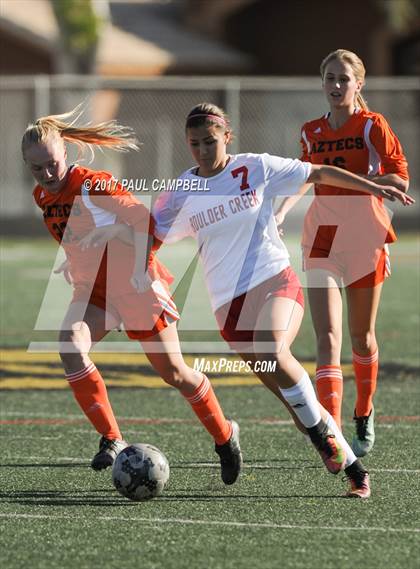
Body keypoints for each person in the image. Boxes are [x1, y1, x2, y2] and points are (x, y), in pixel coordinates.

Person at [149, 102, 413, 499]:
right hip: (228, 306)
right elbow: (148, 234)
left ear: (227, 137)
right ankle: (353, 467)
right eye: (195, 144)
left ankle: (329, 440)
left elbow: (318, 172)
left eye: (211, 141)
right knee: (299, 413)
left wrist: (373, 186)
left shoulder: (254, 167)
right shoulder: (183, 190)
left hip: (274, 280)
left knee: (273, 349)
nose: (204, 150)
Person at [21, 106, 242, 485]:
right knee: (70, 345)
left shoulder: (95, 185)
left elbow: (142, 221)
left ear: (67, 154)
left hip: (137, 287)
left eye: (52, 164)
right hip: (98, 293)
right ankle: (111, 438)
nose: (47, 174)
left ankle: (225, 438)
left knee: (175, 374)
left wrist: (139, 266)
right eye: (37, 168)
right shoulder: (42, 195)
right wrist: (74, 261)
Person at [275, 49, 410, 457]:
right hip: (322, 235)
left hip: (365, 234)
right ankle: (331, 433)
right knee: (326, 338)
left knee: (361, 337)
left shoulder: (372, 126)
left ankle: (364, 412)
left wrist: (357, 182)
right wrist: (281, 209)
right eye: (330, 79)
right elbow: (306, 175)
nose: (336, 86)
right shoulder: (310, 132)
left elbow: (400, 178)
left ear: (358, 84)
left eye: (343, 79)